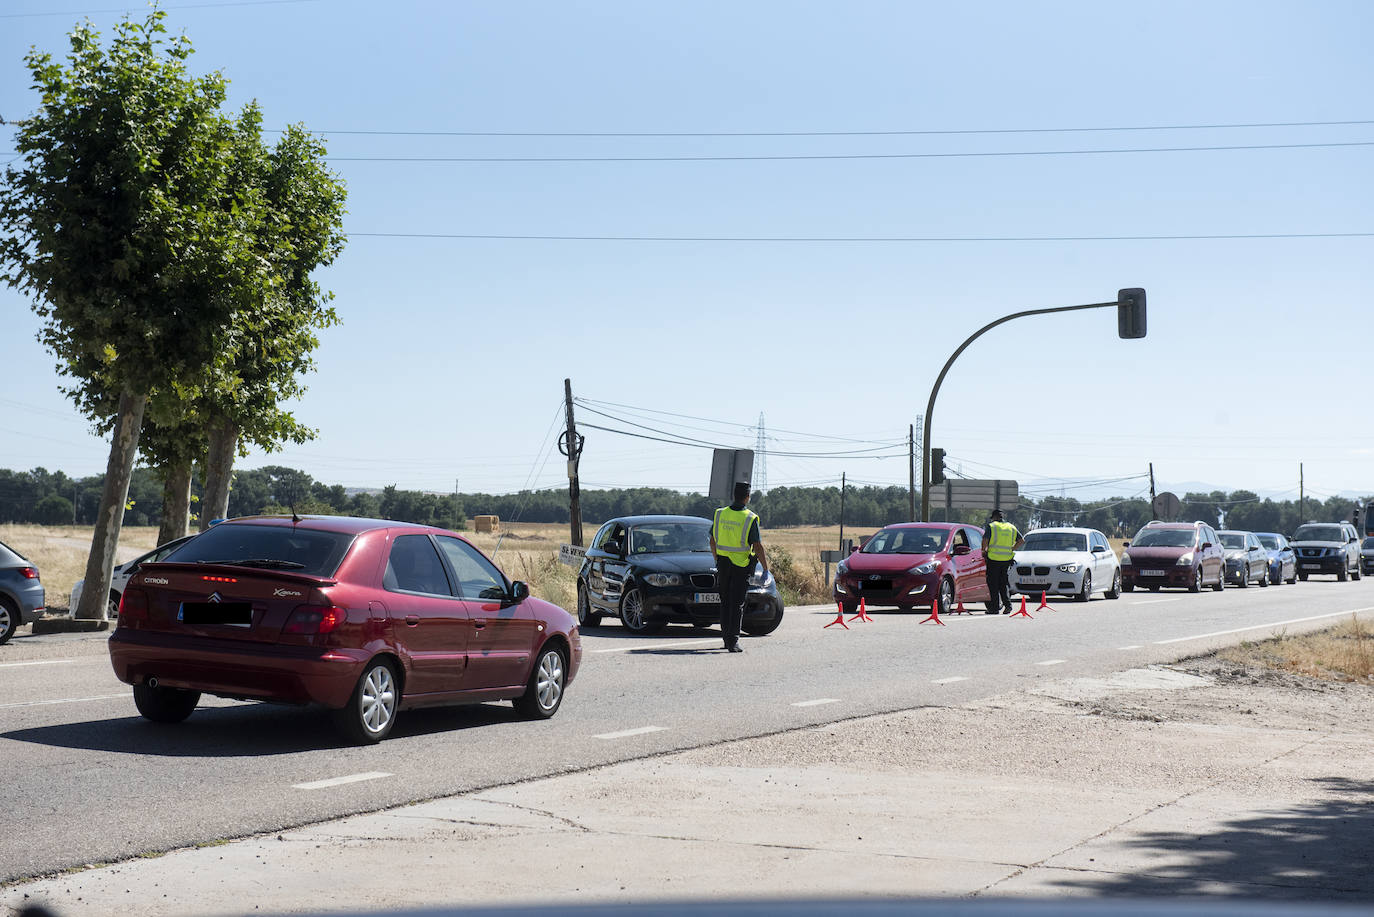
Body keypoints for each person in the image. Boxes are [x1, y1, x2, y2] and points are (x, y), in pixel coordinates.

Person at [710, 481, 768, 653]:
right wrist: (765, 568)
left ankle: (726, 638)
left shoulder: (720, 514)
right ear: (747, 497)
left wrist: (716, 559)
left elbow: (712, 540)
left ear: (733, 495)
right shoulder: (750, 518)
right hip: (740, 566)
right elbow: (757, 546)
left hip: (722, 563)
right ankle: (733, 641)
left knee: (725, 602)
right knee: (737, 604)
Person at [982, 509, 1023, 614]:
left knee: (993, 584)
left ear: (994, 517)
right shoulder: (1011, 527)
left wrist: (984, 551)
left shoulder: (992, 526)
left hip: (993, 559)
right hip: (1006, 560)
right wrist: (1011, 549)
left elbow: (985, 540)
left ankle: (994, 608)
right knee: (1003, 583)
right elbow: (1021, 540)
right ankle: (1008, 605)